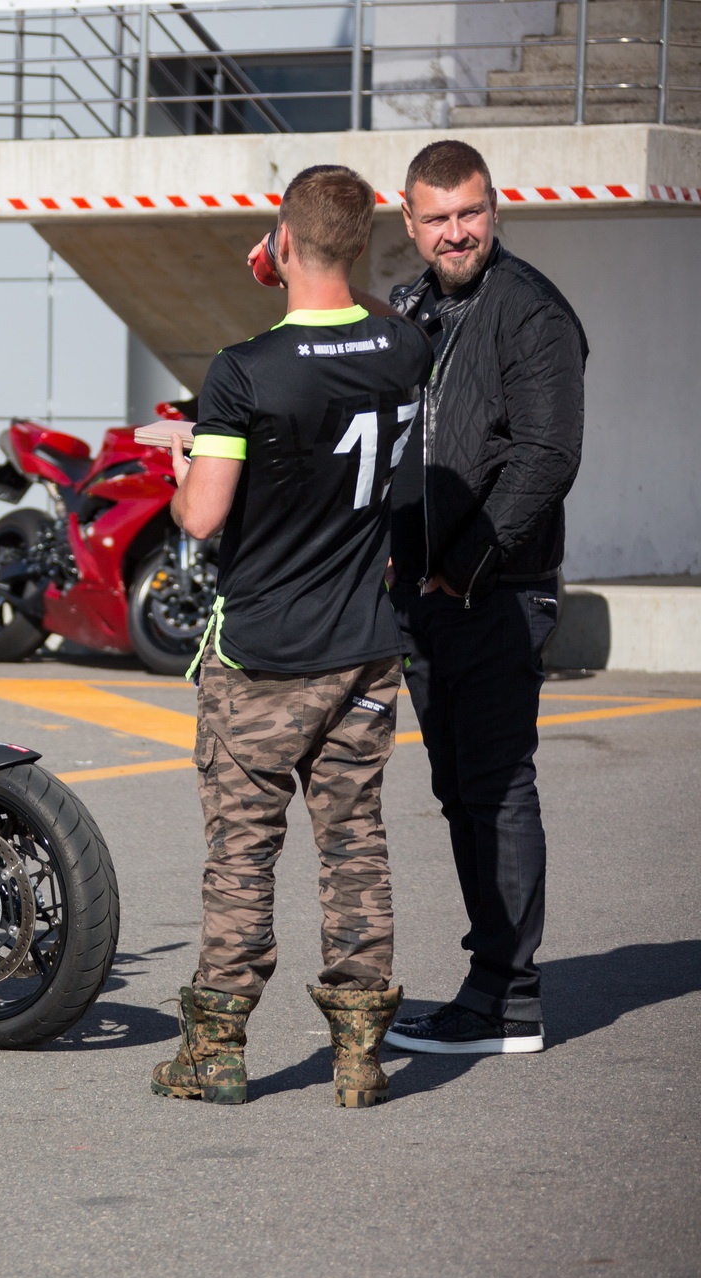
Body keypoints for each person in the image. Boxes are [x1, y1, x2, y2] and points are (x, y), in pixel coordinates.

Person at [143, 165, 433, 1108]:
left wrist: (182, 460)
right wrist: (317, 265)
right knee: (355, 845)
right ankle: (360, 1053)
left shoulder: (243, 370)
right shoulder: (403, 345)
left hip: (261, 653)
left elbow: (201, 517)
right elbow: (362, 322)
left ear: (279, 241)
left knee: (242, 855)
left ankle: (215, 1051)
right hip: (365, 645)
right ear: (362, 243)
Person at [380, 141, 587, 1058]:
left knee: (497, 789)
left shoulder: (532, 311)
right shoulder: (413, 306)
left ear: (495, 208)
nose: (456, 232)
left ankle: (508, 998)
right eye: (438, 217)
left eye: (470, 212)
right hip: (426, 599)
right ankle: (491, 984)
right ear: (410, 221)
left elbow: (548, 455)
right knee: (461, 790)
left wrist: (461, 567)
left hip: (497, 593)